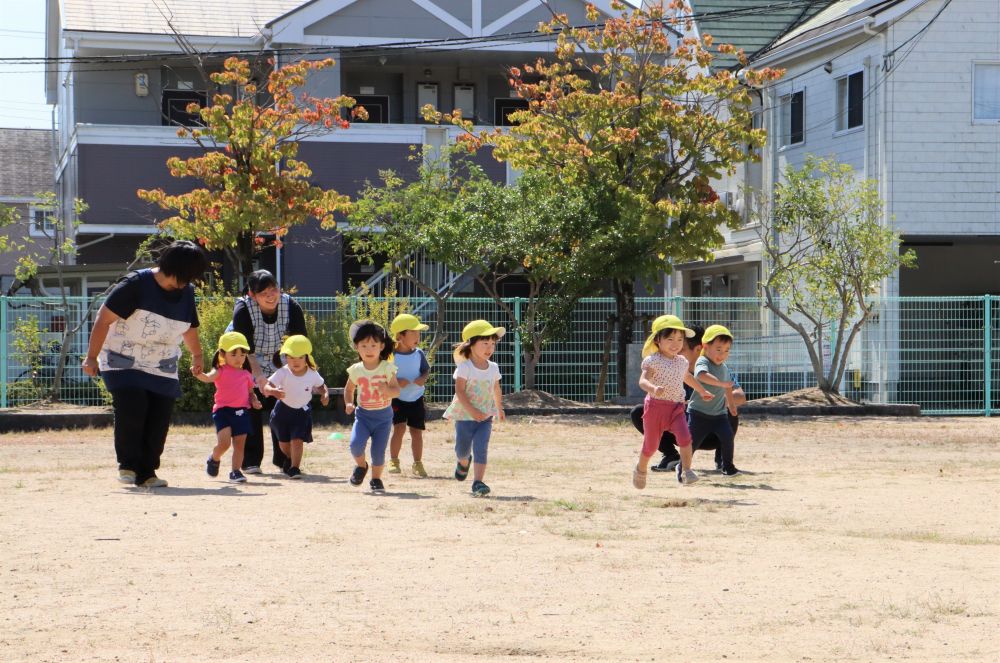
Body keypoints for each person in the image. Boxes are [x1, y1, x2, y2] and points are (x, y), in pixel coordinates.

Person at [82, 240, 208, 488]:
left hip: (162, 364)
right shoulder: (135, 285)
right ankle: (128, 465)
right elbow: (102, 320)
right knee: (133, 405)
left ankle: (147, 472)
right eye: (188, 275)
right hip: (123, 360)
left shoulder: (186, 292)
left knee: (159, 418)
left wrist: (197, 356)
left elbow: (190, 327)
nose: (188, 282)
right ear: (174, 268)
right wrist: (91, 357)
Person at [629, 325, 746, 472]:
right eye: (671, 341)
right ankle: (671, 455)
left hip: (710, 429)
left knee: (729, 408)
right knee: (639, 412)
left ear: (697, 349)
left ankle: (723, 459)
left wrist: (707, 398)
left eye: (681, 345)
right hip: (682, 423)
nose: (675, 348)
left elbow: (740, 396)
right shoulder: (670, 365)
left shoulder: (718, 367)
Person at [230, 270, 308, 474]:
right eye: (263, 293)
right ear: (252, 294)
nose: (271, 296)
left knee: (283, 406)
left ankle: (284, 459)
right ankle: (250, 460)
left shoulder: (291, 306)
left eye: (274, 289)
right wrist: (260, 379)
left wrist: (297, 375)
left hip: (278, 356)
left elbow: (299, 346)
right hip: (246, 358)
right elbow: (247, 350)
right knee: (251, 404)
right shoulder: (243, 309)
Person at [632, 314, 714, 490]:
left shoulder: (682, 361)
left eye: (679, 339)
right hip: (655, 408)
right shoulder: (652, 360)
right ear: (657, 340)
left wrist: (702, 390)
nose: (675, 343)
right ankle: (641, 469)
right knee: (651, 446)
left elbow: (687, 377)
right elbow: (642, 381)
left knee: (685, 439)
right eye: (670, 338)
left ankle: (687, 470)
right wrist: (653, 389)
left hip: (676, 407)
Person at [443, 320, 506, 497]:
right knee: (462, 450)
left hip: (485, 417)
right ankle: (463, 462)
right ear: (470, 344)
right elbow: (460, 392)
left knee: (481, 447)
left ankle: (478, 482)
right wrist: (472, 411)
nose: (490, 348)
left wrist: (499, 408)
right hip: (465, 416)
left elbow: (496, 388)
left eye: (492, 344)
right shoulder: (465, 367)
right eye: (485, 343)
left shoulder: (493, 367)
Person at [194, 331, 263, 483]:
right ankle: (214, 458)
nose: (239, 358)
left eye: (242, 354)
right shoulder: (220, 370)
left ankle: (235, 471)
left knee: (239, 445)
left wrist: (254, 400)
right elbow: (207, 378)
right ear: (222, 354)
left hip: (242, 412)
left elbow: (251, 392)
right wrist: (198, 374)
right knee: (224, 444)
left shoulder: (246, 373)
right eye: (234, 354)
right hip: (223, 412)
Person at [344, 320, 400, 493]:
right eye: (364, 345)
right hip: (363, 416)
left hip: (383, 417)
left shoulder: (387, 368)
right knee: (355, 445)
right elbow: (349, 389)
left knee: (378, 453)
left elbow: (396, 391)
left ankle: (376, 480)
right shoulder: (355, 370)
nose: (369, 350)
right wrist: (348, 402)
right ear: (357, 347)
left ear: (382, 346)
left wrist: (387, 390)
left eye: (373, 345)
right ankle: (361, 466)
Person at [261, 335, 328, 479]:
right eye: (290, 357)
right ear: (285, 358)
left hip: (301, 412)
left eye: (299, 357)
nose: (295, 361)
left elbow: (322, 386)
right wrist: (273, 391)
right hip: (282, 412)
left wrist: (325, 394)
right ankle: (290, 459)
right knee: (284, 443)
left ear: (307, 358)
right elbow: (266, 387)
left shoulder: (312, 373)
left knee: (297, 440)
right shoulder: (283, 372)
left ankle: (295, 468)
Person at [687, 324, 742, 477]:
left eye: (726, 350)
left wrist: (731, 405)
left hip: (719, 415)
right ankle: (683, 467)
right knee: (691, 443)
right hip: (699, 413)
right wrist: (721, 383)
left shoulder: (724, 367)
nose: (722, 354)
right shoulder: (703, 361)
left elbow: (728, 387)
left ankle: (728, 467)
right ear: (705, 346)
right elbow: (701, 376)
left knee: (727, 437)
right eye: (718, 349)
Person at [387, 313, 431, 478]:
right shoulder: (391, 356)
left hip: (417, 398)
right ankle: (394, 460)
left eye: (418, 333)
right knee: (399, 428)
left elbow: (426, 370)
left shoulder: (419, 353)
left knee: (416, 431)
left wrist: (422, 378)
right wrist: (397, 381)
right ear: (400, 336)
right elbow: (385, 375)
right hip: (397, 398)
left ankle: (418, 464)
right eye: (413, 333)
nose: (417, 336)